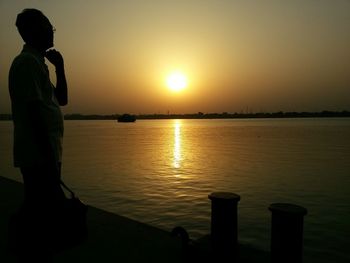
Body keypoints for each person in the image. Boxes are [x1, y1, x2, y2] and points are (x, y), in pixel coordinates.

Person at [8, 8, 68, 262]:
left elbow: (62, 100)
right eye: (48, 27)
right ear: (33, 31)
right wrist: (48, 159)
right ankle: (26, 247)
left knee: (40, 204)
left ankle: (30, 246)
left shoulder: (38, 64)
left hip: (47, 151)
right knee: (38, 204)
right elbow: (34, 115)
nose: (51, 32)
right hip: (38, 153)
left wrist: (60, 68)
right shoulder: (26, 64)